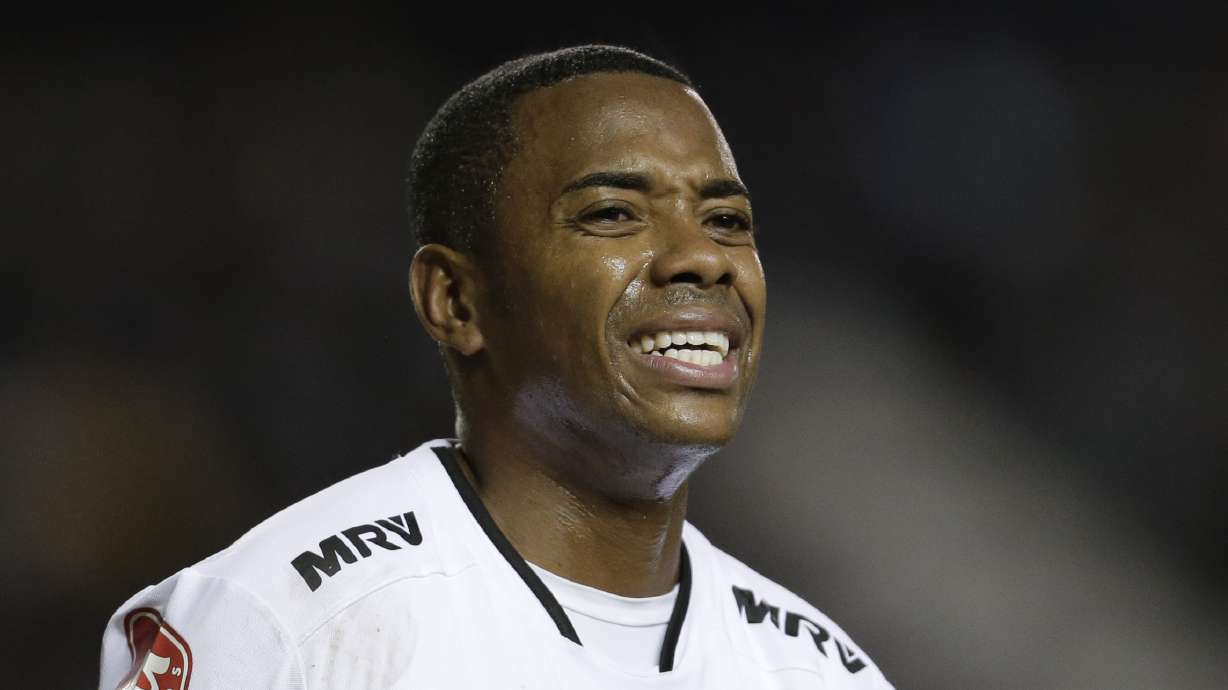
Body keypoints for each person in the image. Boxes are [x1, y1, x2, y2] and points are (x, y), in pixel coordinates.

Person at [98, 45, 894, 689]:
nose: (702, 259)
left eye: (727, 220)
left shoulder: (818, 669)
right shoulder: (286, 619)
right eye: (613, 214)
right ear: (455, 300)